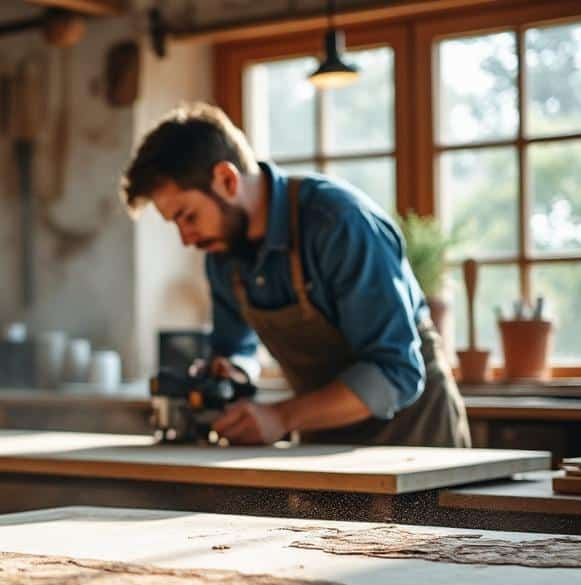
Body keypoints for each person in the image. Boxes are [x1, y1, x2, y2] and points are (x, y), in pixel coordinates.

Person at [122, 103, 469, 448]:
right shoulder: (223, 255)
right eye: (176, 224)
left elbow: (397, 373)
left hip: (417, 437)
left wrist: (281, 417)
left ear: (227, 180)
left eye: (189, 216)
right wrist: (231, 371)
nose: (185, 239)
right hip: (324, 439)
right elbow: (237, 349)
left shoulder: (339, 224)